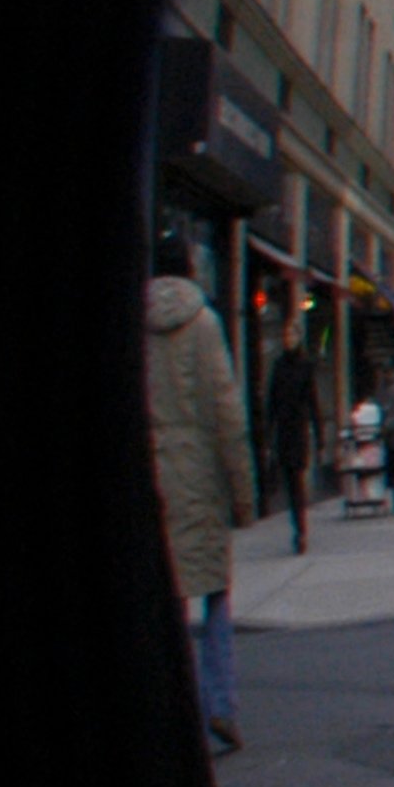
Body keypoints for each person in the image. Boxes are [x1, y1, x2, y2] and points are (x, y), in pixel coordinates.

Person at [145, 243, 257, 754]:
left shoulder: (136, 329)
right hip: (199, 478)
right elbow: (226, 414)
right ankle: (220, 705)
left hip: (154, 476)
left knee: (165, 597)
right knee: (213, 595)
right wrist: (242, 493)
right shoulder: (205, 324)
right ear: (191, 272)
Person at [258, 323, 319, 557]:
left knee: (297, 481)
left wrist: (318, 432)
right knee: (290, 481)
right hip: (283, 431)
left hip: (299, 430)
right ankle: (298, 526)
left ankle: (300, 528)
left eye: (291, 334)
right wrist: (267, 432)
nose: (287, 338)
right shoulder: (278, 366)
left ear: (298, 337)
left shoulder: (305, 366)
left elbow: (312, 401)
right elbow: (271, 402)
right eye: (285, 334)